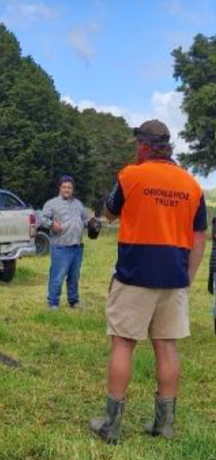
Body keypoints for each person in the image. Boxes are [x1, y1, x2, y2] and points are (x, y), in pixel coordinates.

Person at [89, 120, 207, 443]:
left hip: (134, 274)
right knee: (167, 347)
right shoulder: (191, 185)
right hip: (174, 277)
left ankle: (111, 426)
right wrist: (188, 277)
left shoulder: (130, 176)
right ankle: (164, 425)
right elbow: (200, 236)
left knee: (123, 344)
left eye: (135, 144)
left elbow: (110, 214)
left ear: (143, 145)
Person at [41, 176, 89, 310]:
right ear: (60, 188)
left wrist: (92, 223)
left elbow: (85, 220)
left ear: (73, 189)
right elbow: (42, 218)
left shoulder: (78, 204)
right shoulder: (52, 203)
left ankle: (74, 301)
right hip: (61, 246)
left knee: (74, 276)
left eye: (69, 187)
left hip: (77, 246)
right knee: (58, 276)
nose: (67, 190)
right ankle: (53, 302)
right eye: (64, 187)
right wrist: (52, 224)